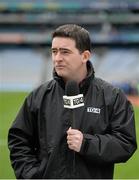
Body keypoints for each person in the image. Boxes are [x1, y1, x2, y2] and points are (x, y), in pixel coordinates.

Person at [8, 24, 137, 179]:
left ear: (85, 56)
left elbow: (126, 143)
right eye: (54, 51)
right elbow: (18, 142)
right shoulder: (38, 96)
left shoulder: (112, 96)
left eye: (65, 52)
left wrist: (86, 143)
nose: (57, 58)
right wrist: (32, 176)